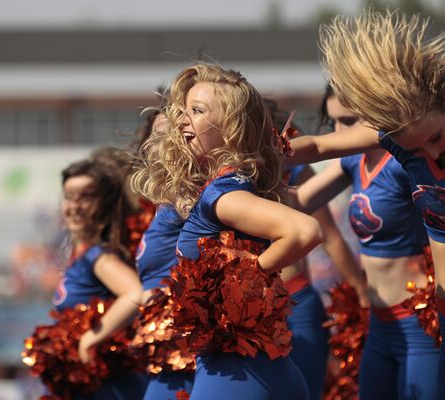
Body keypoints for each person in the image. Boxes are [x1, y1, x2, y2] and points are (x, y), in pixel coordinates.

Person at [290, 10, 445, 399]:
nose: (430, 153)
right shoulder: (397, 138)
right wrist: (252, 154)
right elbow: (318, 146)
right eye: (414, 149)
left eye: (436, 137)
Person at [133, 63, 322, 399]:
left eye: (197, 111)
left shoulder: (223, 193)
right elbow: (326, 146)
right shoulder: (234, 182)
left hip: (235, 377)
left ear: (231, 127)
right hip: (262, 371)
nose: (181, 121)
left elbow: (305, 231)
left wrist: (238, 288)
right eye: (184, 110)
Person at [296, 85, 439, 399]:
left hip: (418, 324)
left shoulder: (403, 164)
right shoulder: (351, 162)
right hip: (378, 323)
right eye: (332, 122)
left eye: (347, 122)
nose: (337, 133)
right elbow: (299, 200)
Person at [267, 98, 369, 399]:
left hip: (296, 302)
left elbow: (329, 235)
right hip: (245, 310)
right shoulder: (219, 174)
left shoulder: (294, 168)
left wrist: (360, 293)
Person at [50, 157, 147, 399]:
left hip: (113, 387)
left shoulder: (99, 257)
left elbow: (135, 294)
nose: (75, 206)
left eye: (86, 197)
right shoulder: (78, 253)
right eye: (69, 197)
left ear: (104, 203)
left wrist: (90, 339)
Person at [132, 111, 196, 400]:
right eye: (154, 135)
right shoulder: (164, 199)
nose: (153, 144)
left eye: (164, 135)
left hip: (183, 347)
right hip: (164, 349)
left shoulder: (187, 196)